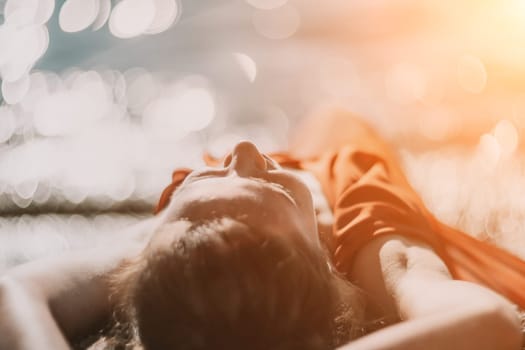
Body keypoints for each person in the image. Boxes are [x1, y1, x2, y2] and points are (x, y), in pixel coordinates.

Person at [0, 108, 523, 350]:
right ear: (330, 266)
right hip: (345, 177)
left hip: (226, 239)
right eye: (278, 186)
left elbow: (16, 290)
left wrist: (160, 237)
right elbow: (490, 323)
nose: (244, 152)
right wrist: (192, 218)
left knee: (201, 192)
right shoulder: (366, 233)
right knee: (336, 123)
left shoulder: (164, 246)